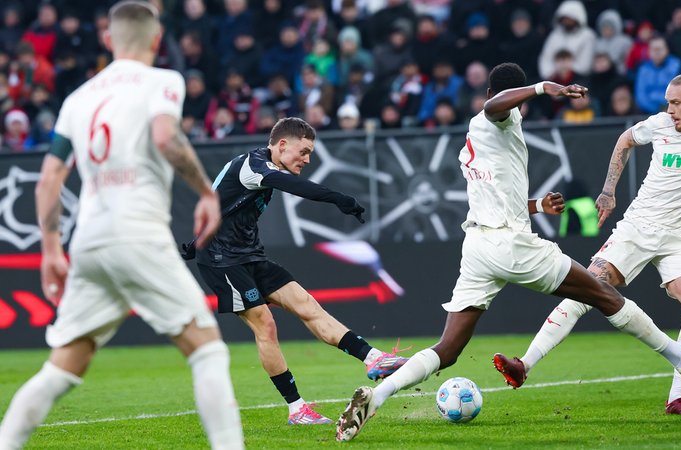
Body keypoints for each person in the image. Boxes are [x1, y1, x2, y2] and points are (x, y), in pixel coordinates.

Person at [335, 63, 681, 442]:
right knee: (605, 295)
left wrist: (536, 206)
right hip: (510, 244)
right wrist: (541, 88)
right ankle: (679, 357)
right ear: (506, 98)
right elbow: (495, 107)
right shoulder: (494, 118)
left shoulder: (480, 136)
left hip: (479, 248)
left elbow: (497, 192)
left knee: (448, 348)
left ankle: (377, 397)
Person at [0, 3, 244, 450]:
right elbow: (166, 136)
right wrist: (207, 193)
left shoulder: (78, 97)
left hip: (90, 241)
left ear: (109, 40)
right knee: (208, 349)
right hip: (138, 231)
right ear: (156, 40)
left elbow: (49, 178)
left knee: (62, 367)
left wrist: (51, 250)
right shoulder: (163, 81)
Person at [495, 71, 681, 416]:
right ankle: (525, 365)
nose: (668, 110)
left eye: (675, 103)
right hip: (637, 229)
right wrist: (608, 192)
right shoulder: (660, 125)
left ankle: (677, 398)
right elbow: (625, 140)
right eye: (667, 103)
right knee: (586, 289)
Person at [182, 117, 408, 425]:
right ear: (282, 144)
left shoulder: (262, 167)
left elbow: (221, 200)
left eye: (310, 153)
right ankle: (297, 409)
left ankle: (374, 359)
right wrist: (338, 199)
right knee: (266, 324)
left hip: (248, 253)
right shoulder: (255, 164)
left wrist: (196, 240)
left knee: (306, 304)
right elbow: (292, 186)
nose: (307, 159)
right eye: (303, 151)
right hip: (222, 260)